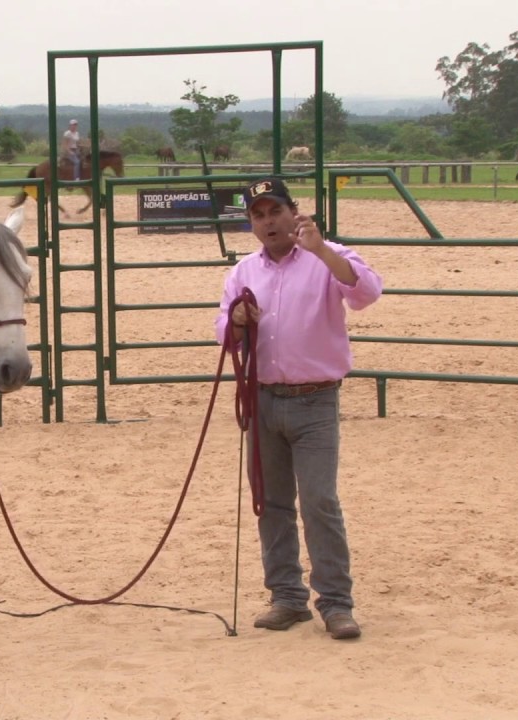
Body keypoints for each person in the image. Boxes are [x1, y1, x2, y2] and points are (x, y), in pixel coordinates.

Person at [215, 177, 383, 641]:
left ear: (295, 212)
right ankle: (287, 596)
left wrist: (323, 251)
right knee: (271, 504)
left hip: (315, 399)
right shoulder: (244, 272)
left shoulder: (329, 256)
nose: (268, 222)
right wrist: (237, 321)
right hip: (264, 397)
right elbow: (222, 329)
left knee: (319, 501)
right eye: (258, 215)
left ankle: (335, 602)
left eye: (275, 211)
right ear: (251, 222)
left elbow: (366, 292)